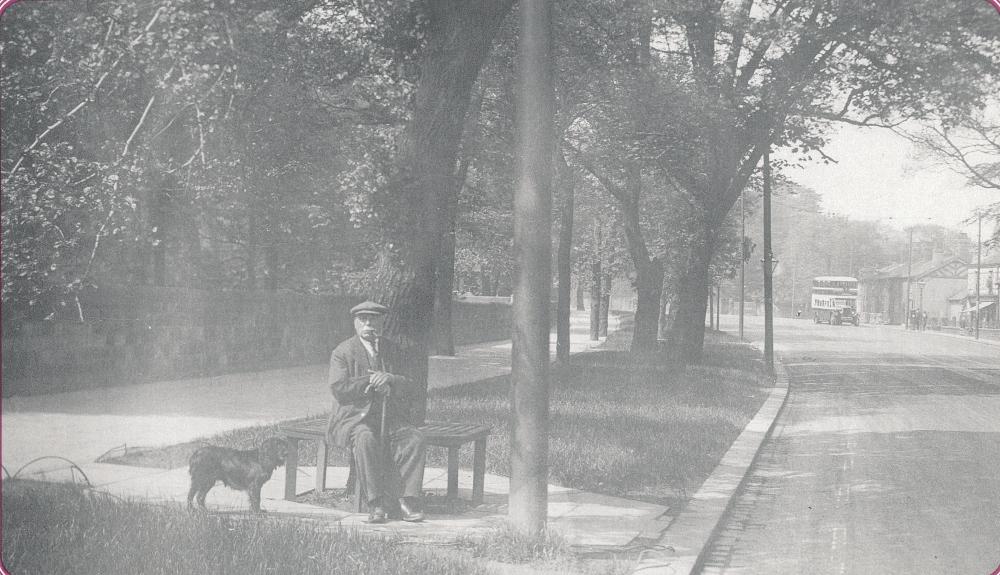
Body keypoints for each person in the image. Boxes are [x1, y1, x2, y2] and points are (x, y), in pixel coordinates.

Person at [326, 301, 426, 524]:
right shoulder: (343, 352)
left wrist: (390, 379)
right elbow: (339, 389)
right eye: (363, 319)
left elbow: (411, 384)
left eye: (373, 319)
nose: (368, 324)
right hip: (355, 418)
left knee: (414, 438)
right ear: (355, 322)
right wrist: (370, 381)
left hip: (389, 417)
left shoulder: (393, 350)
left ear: (382, 322)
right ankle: (376, 503)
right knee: (365, 439)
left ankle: (406, 500)